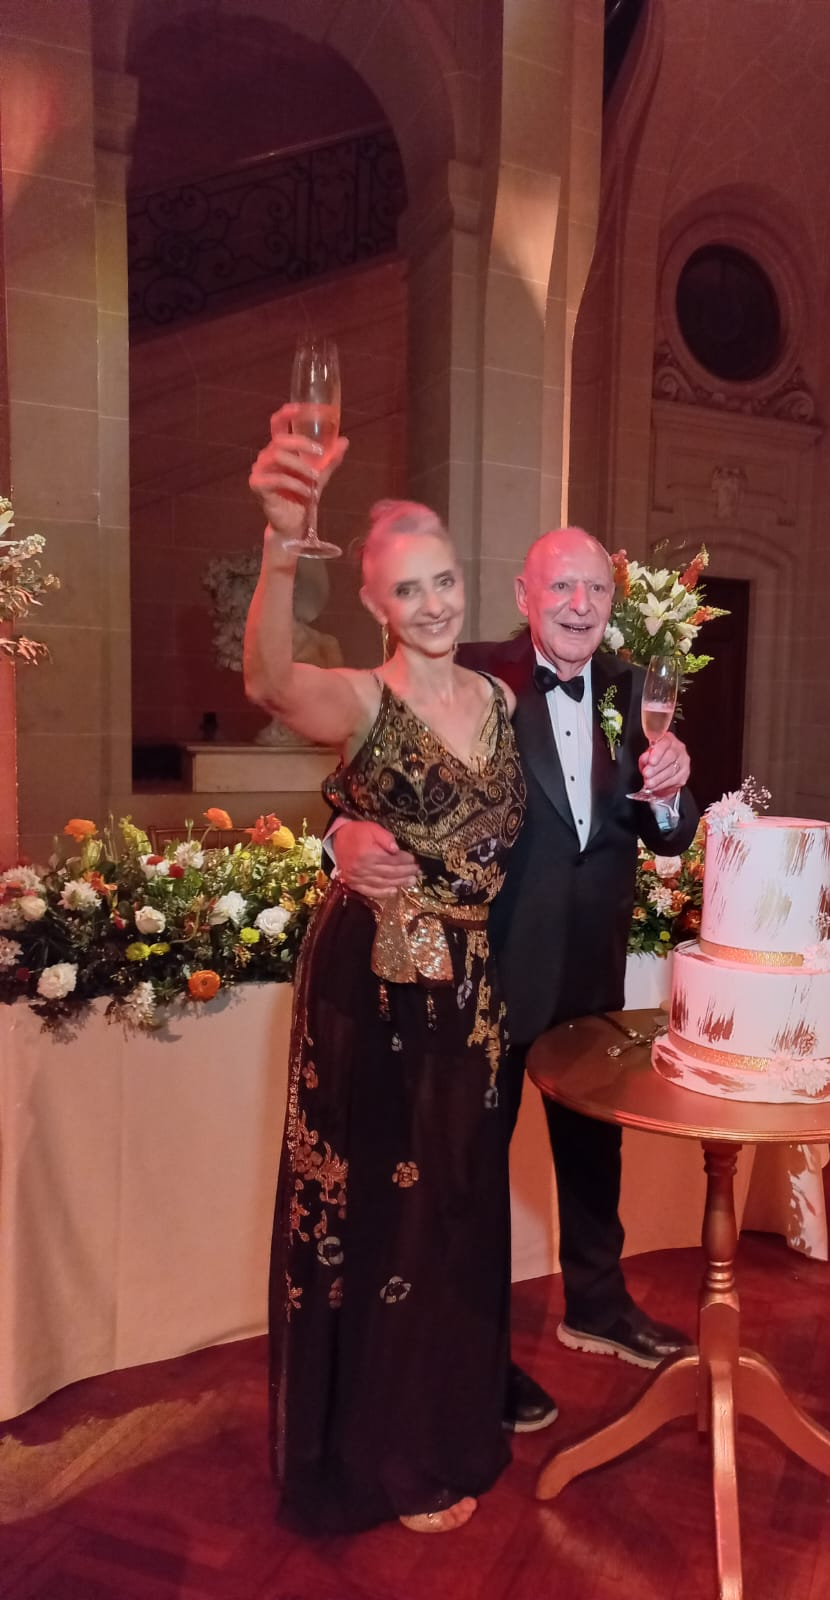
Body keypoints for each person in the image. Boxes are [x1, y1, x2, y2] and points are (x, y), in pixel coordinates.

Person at [330, 524, 699, 1433]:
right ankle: (473, 1356)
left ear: (612, 604)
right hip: (482, 976)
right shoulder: (469, 674)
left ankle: (597, 1306)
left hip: (590, 974)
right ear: (525, 597)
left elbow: (664, 835)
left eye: (595, 594)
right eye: (560, 590)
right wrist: (340, 839)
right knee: (469, 1171)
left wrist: (676, 791)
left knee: (591, 1150)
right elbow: (364, 777)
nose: (580, 607)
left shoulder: (632, 688)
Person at [245, 407, 526, 1535]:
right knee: (382, 1219)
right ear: (374, 604)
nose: (435, 604)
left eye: (445, 579)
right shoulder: (364, 701)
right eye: (409, 589)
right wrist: (278, 541)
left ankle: (450, 1421)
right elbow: (267, 679)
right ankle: (383, 1454)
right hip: (374, 986)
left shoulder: (499, 700)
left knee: (456, 1211)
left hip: (472, 996)